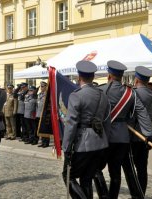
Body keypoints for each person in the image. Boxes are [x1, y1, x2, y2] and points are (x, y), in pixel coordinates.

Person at [100, 60, 152, 199]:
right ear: (122, 75)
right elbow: (142, 113)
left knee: (96, 169)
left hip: (104, 137)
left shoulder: (102, 90)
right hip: (123, 138)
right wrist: (149, 134)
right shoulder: (130, 92)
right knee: (115, 173)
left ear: (109, 75)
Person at [62, 60, 110, 199]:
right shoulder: (102, 95)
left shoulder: (76, 95)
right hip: (100, 141)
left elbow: (71, 123)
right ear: (93, 77)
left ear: (79, 76)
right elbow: (107, 121)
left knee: (68, 176)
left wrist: (66, 147)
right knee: (87, 178)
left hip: (83, 143)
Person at [122, 66, 152, 199]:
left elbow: (127, 114)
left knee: (131, 169)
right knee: (142, 169)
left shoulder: (132, 93)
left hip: (132, 136)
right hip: (146, 137)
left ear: (137, 79)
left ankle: (135, 195)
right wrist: (151, 135)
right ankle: (141, 194)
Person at [36, 81, 50, 148]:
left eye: (42, 86)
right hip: (39, 113)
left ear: (46, 87)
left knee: (45, 128)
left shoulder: (47, 95)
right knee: (40, 128)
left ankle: (46, 142)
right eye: (41, 86)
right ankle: (42, 141)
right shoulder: (39, 94)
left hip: (44, 114)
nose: (41, 88)